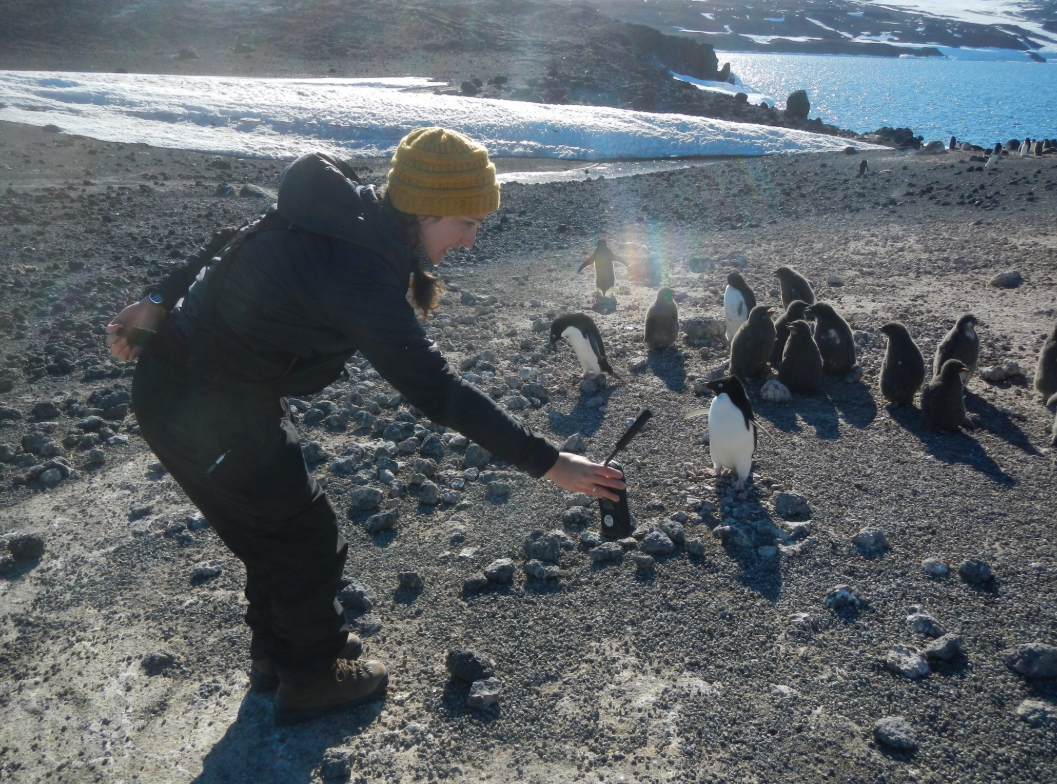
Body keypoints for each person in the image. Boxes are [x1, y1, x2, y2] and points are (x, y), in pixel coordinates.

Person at [106, 127, 625, 724]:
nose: (472, 240)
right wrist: (553, 464)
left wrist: (160, 297)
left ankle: (282, 656)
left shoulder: (355, 220)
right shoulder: (359, 271)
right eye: (467, 223)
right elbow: (437, 389)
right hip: (197, 400)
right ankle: (313, 677)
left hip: (227, 389)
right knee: (299, 535)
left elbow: (233, 238)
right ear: (427, 209)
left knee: (278, 524)